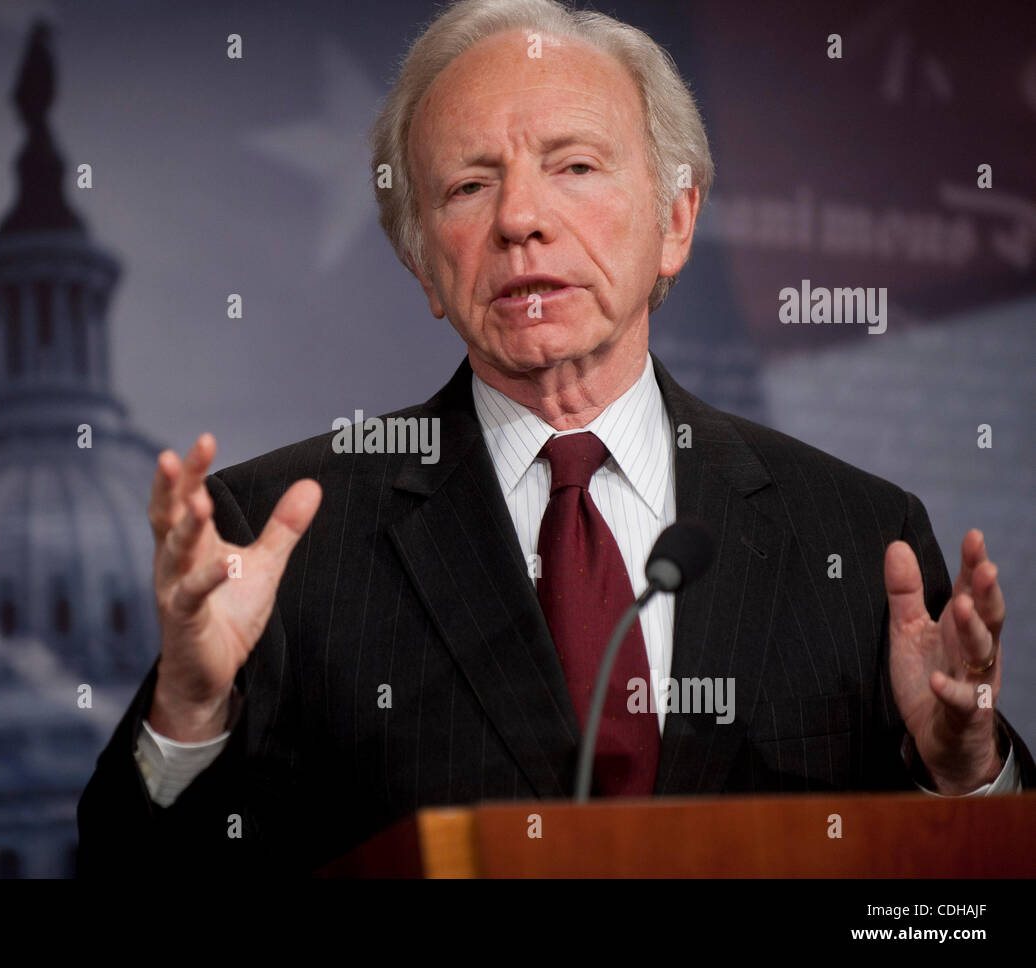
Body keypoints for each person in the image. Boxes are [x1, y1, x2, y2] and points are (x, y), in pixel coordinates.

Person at [77, 0, 1030, 876]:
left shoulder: (858, 535)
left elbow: (952, 908)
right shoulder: (286, 537)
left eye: (574, 166)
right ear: (422, 265)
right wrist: (193, 714)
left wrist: (962, 771)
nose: (520, 221)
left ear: (676, 221)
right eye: (467, 186)